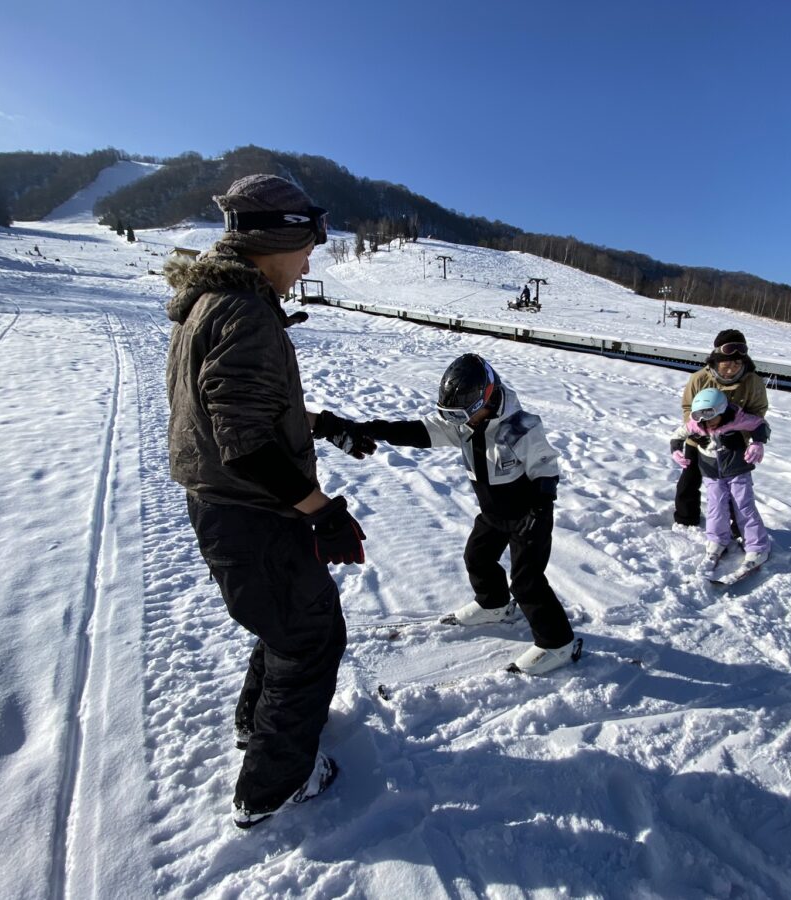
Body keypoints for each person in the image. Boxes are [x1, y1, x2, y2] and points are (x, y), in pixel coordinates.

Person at [165, 174, 375, 830]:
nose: (312, 256)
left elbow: (236, 408)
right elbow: (246, 444)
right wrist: (322, 508)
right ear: (275, 238)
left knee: (288, 626)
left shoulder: (217, 300)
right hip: (251, 512)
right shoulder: (245, 312)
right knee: (310, 635)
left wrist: (316, 422)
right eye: (307, 242)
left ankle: (258, 726)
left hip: (233, 510)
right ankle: (274, 785)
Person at [356, 354, 582, 675]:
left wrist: (541, 506)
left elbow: (546, 466)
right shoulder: (463, 427)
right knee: (477, 556)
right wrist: (370, 430)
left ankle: (558, 642)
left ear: (487, 399)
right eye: (453, 416)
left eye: (463, 414)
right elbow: (416, 432)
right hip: (493, 511)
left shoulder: (519, 428)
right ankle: (494, 604)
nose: (459, 423)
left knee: (527, 581)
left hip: (528, 515)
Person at [673, 329, 769, 530]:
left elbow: (757, 412)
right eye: (727, 362)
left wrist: (754, 440)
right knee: (689, 481)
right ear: (717, 359)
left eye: (737, 363)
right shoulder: (699, 378)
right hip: (699, 440)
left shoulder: (752, 381)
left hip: (732, 445)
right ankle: (686, 520)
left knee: (736, 489)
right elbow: (688, 408)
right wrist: (699, 431)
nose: (732, 368)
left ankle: (739, 527)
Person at [671, 387, 772, 573]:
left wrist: (757, 443)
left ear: (722, 411)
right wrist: (676, 450)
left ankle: (757, 547)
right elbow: (678, 435)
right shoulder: (697, 424)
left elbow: (760, 424)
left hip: (737, 470)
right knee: (716, 506)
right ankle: (717, 540)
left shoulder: (737, 418)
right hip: (711, 472)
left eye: (711, 417)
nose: (706, 423)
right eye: (701, 418)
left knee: (743, 506)